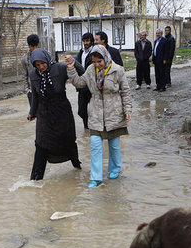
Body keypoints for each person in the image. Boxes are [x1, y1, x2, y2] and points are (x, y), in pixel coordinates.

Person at [65, 45, 132, 188]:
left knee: (114, 145)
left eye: (99, 62)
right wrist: (71, 68)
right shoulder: (90, 70)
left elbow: (125, 92)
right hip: (95, 112)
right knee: (95, 145)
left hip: (114, 111)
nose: (97, 65)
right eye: (94, 62)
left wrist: (128, 109)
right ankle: (96, 178)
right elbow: (79, 83)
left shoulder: (117, 70)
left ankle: (115, 169)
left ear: (105, 58)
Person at [27, 49, 83, 180]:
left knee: (68, 141)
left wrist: (74, 63)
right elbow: (35, 95)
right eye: (37, 65)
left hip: (62, 112)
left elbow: (82, 74)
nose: (41, 67)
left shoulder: (59, 69)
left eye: (43, 63)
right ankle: (35, 179)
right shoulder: (33, 75)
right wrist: (32, 112)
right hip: (44, 113)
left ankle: (77, 166)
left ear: (47, 59)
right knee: (41, 144)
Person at [75, 32, 95, 129]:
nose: (85, 43)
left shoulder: (95, 53)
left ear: (91, 41)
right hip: (82, 85)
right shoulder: (81, 53)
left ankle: (94, 128)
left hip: (92, 86)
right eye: (84, 41)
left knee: (94, 109)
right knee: (81, 110)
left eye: (87, 41)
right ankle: (86, 128)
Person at [21, 34, 40, 106]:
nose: (35, 48)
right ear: (29, 46)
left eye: (36, 46)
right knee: (34, 113)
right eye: (33, 46)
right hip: (32, 91)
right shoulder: (25, 59)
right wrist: (27, 90)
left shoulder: (45, 55)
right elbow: (24, 75)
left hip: (45, 90)